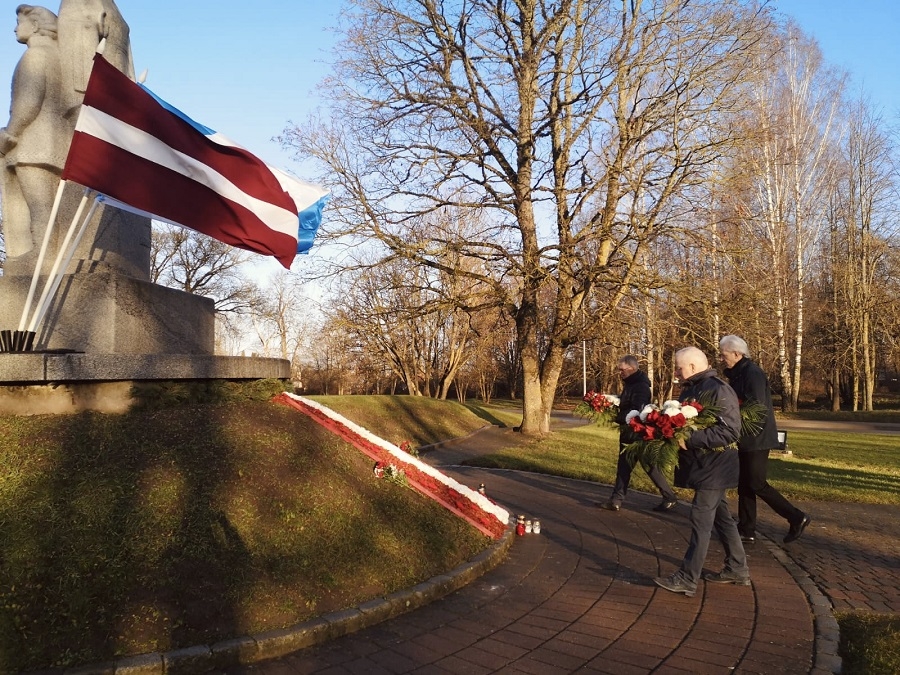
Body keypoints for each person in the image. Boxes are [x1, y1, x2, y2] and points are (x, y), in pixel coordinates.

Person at [654, 346, 749, 597]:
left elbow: (730, 431)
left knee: (700, 519)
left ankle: (687, 578)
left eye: (679, 367)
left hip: (716, 466)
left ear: (693, 367)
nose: (676, 371)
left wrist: (690, 439)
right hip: (705, 465)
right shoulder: (694, 388)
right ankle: (737, 569)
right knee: (722, 519)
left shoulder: (718, 389)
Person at [719, 335, 811, 545]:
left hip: (757, 437)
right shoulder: (739, 374)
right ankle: (746, 528)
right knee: (744, 484)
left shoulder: (752, 373)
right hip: (746, 436)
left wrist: (730, 413)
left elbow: (756, 407)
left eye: (724, 355)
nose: (722, 359)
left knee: (756, 483)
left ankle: (796, 517)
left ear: (737, 353)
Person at [0, 4, 67, 262]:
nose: (15, 27)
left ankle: (43, 252)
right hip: (55, 143)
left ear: (36, 25)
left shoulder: (35, 56)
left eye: (20, 21)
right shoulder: (58, 57)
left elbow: (29, 101)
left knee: (38, 203)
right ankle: (46, 251)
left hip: (32, 143)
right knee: (46, 203)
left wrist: (10, 133)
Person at [599, 355, 678, 512]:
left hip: (637, 434)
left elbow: (637, 410)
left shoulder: (640, 386)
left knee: (646, 466)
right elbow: (626, 403)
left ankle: (668, 496)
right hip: (631, 432)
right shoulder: (631, 383)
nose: (619, 372)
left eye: (622, 370)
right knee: (626, 466)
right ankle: (616, 500)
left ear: (632, 369)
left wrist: (617, 417)